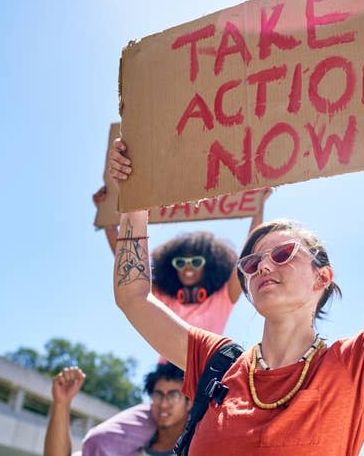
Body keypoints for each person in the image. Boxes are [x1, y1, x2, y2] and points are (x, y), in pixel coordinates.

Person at [108, 71, 364, 454]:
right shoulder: (214, 363)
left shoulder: (354, 365)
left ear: (322, 278)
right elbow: (133, 297)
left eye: (282, 255)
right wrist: (134, 201)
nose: (263, 267)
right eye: (251, 264)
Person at [85, 189, 269, 454]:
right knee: (97, 441)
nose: (188, 267)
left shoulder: (221, 298)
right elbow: (128, 260)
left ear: (209, 266)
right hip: (166, 391)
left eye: (196, 261)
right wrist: (108, 216)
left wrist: (258, 206)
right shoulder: (161, 298)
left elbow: (246, 259)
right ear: (172, 265)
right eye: (180, 262)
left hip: (205, 391)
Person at [45, 363, 190, 456]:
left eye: (174, 396)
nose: (164, 404)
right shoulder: (126, 450)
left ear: (190, 402)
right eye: (158, 395)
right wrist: (61, 403)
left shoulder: (197, 447)